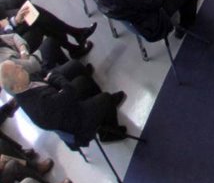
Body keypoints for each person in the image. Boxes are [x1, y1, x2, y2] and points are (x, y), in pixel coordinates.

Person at [0, 60, 129, 145]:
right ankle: (109, 133)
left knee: (82, 80)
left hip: (63, 106)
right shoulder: (39, 105)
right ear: (15, 88)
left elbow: (46, 73)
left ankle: (105, 111)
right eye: (17, 70)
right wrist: (57, 81)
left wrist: (56, 81)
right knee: (105, 98)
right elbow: (68, 91)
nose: (21, 67)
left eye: (17, 65)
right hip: (74, 125)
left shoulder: (25, 81)